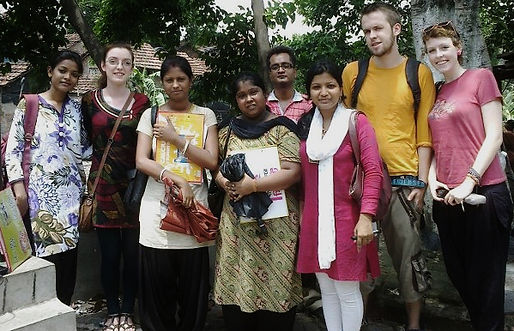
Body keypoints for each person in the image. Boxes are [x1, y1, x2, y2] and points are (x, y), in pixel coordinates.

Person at [342, 3, 436, 330]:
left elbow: (425, 133)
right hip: (364, 181)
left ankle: (413, 326)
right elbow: (345, 125)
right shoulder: (354, 72)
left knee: (409, 260)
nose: (372, 36)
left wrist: (421, 185)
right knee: (359, 257)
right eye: (367, 30)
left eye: (378, 28)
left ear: (396, 29)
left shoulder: (418, 72)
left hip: (405, 181)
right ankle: (358, 321)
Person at [423, 21, 513, 330]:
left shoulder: (480, 78)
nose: (439, 54)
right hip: (447, 197)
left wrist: (468, 181)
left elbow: (494, 137)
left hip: (484, 194)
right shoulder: (438, 91)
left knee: (486, 286)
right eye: (432, 50)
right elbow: (437, 144)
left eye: (444, 47)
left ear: (458, 48)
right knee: (461, 278)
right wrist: (432, 179)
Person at [296, 59, 382, 331]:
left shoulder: (356, 122)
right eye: (316, 87)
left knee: (346, 291)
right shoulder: (307, 127)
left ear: (341, 89)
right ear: (308, 92)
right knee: (328, 291)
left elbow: (373, 171)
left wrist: (366, 216)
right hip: (315, 220)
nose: (324, 92)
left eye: (330, 85)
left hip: (348, 220)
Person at [213, 72, 302, 331]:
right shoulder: (227, 131)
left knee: (278, 281)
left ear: (265, 94)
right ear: (236, 101)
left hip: (277, 224)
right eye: (242, 95)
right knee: (237, 276)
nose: (249, 99)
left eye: (254, 92)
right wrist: (226, 184)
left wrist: (252, 186)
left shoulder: (283, 129)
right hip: (237, 226)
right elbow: (216, 167)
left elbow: (292, 172)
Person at [135, 55, 218, 331]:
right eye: (169, 80)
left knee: (193, 291)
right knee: (157, 290)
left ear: (190, 81)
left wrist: (175, 139)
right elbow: (141, 160)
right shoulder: (152, 115)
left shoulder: (205, 115)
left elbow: (211, 160)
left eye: (181, 79)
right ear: (162, 83)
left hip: (194, 211)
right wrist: (176, 179)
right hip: (156, 209)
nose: (175, 85)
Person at [5, 50, 87, 305]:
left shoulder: (77, 109)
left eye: (74, 74)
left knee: (68, 263)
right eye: (63, 70)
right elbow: (13, 150)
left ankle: (64, 309)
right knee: (41, 263)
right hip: (37, 199)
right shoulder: (29, 104)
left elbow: (85, 148)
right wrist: (19, 189)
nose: (68, 77)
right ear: (50, 71)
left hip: (71, 200)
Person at [82, 43, 149, 331]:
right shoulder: (88, 101)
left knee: (132, 256)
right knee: (109, 255)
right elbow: (83, 141)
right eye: (113, 61)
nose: (119, 67)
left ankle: (128, 310)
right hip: (102, 186)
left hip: (135, 186)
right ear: (103, 66)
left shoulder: (142, 102)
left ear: (132, 67)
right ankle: (112, 311)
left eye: (125, 62)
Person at [266, 46, 312, 123]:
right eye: (275, 67)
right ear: (269, 74)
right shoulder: (263, 105)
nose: (280, 70)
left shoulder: (309, 104)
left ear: (295, 72)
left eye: (286, 66)